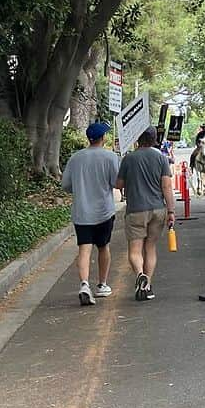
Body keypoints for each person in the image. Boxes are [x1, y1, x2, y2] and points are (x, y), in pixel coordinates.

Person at [61, 121, 120, 305]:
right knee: (103, 247)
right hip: (104, 211)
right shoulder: (110, 157)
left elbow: (66, 185)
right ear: (102, 138)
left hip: (82, 212)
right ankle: (102, 285)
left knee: (84, 249)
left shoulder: (75, 158)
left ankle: (84, 284)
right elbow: (116, 183)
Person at [116, 127, 177, 301]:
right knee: (150, 247)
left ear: (137, 138)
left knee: (135, 250)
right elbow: (166, 187)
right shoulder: (161, 158)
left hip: (135, 210)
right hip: (157, 209)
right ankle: (147, 285)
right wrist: (171, 211)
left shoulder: (129, 158)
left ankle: (139, 274)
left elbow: (119, 184)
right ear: (154, 139)